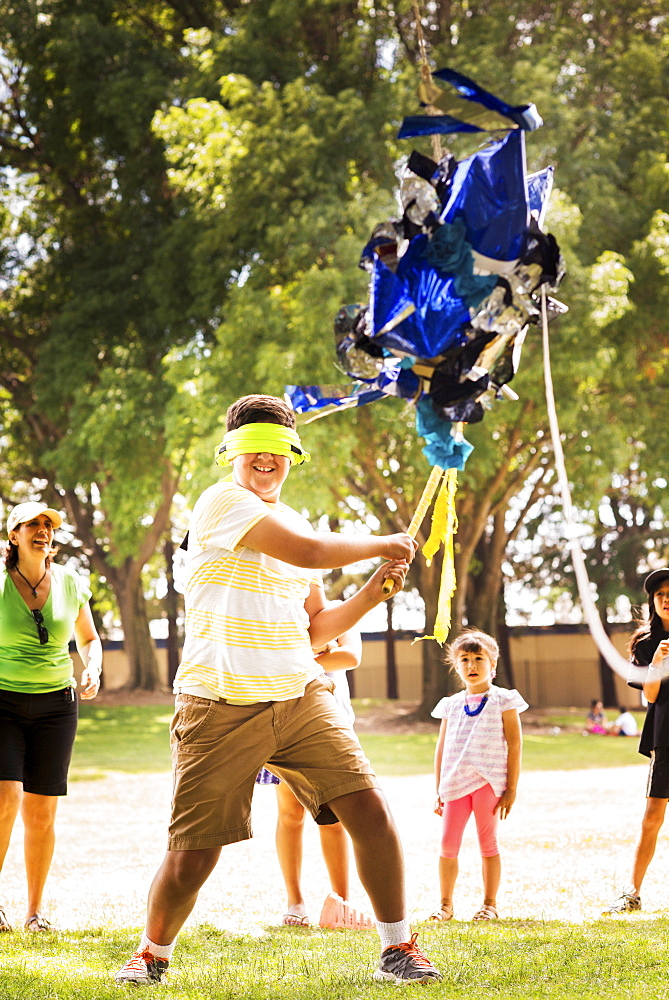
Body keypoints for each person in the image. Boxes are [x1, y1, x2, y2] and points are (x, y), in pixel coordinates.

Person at [115, 394, 441, 986]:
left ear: (293, 456)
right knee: (194, 854)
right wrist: (382, 542)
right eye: (251, 449)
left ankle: (397, 947)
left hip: (299, 693)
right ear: (230, 455)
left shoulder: (296, 523)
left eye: (277, 450)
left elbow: (316, 627)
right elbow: (313, 553)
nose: (265, 460)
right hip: (219, 702)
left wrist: (369, 593)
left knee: (368, 809)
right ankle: (151, 953)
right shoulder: (221, 502)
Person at [0, 501, 102, 933]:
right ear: (14, 536)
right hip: (2, 701)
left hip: (57, 707)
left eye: (49, 525)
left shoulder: (71, 581)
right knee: (6, 798)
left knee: (42, 812)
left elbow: (89, 637)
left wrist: (92, 666)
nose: (43, 531)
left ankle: (35, 912)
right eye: (33, 525)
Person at [262, 621, 373, 929]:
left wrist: (293, 657)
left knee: (335, 818)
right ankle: (295, 902)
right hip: (285, 724)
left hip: (331, 727)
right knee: (290, 815)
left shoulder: (340, 614)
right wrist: (318, 653)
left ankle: (341, 902)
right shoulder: (283, 610)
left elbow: (350, 656)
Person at [429, 629, 528, 922]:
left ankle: (489, 904)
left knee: (488, 843)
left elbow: (515, 743)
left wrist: (511, 788)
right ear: (456, 666)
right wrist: (438, 788)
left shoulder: (504, 700)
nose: (472, 665)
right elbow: (441, 748)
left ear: (492, 666)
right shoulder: (450, 704)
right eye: (465, 659)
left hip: (489, 782)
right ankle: (445, 905)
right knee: (448, 844)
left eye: (478, 659)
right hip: (455, 784)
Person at [604, 568, 669, 915]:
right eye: (660, 594)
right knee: (652, 817)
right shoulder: (646, 644)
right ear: (652, 601)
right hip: (666, 737)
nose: (666, 599)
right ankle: (632, 893)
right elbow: (651, 696)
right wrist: (658, 661)